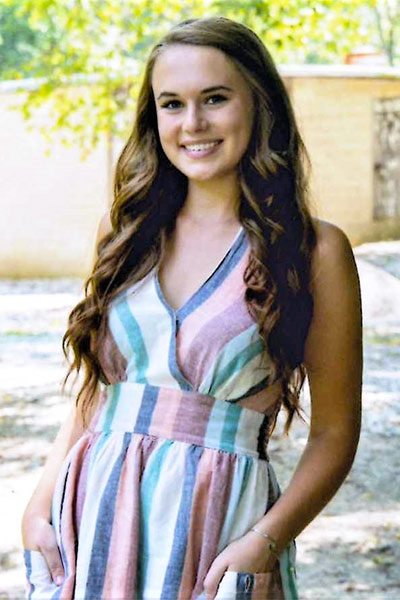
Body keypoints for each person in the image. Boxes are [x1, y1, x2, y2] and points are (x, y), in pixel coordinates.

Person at [21, 16, 362, 600]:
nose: (193, 123)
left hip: (219, 525)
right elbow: (98, 393)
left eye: (215, 98)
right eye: (172, 104)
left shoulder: (312, 250)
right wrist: (38, 503)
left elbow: (335, 432)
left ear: (259, 105)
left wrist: (266, 541)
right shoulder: (124, 234)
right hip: (93, 511)